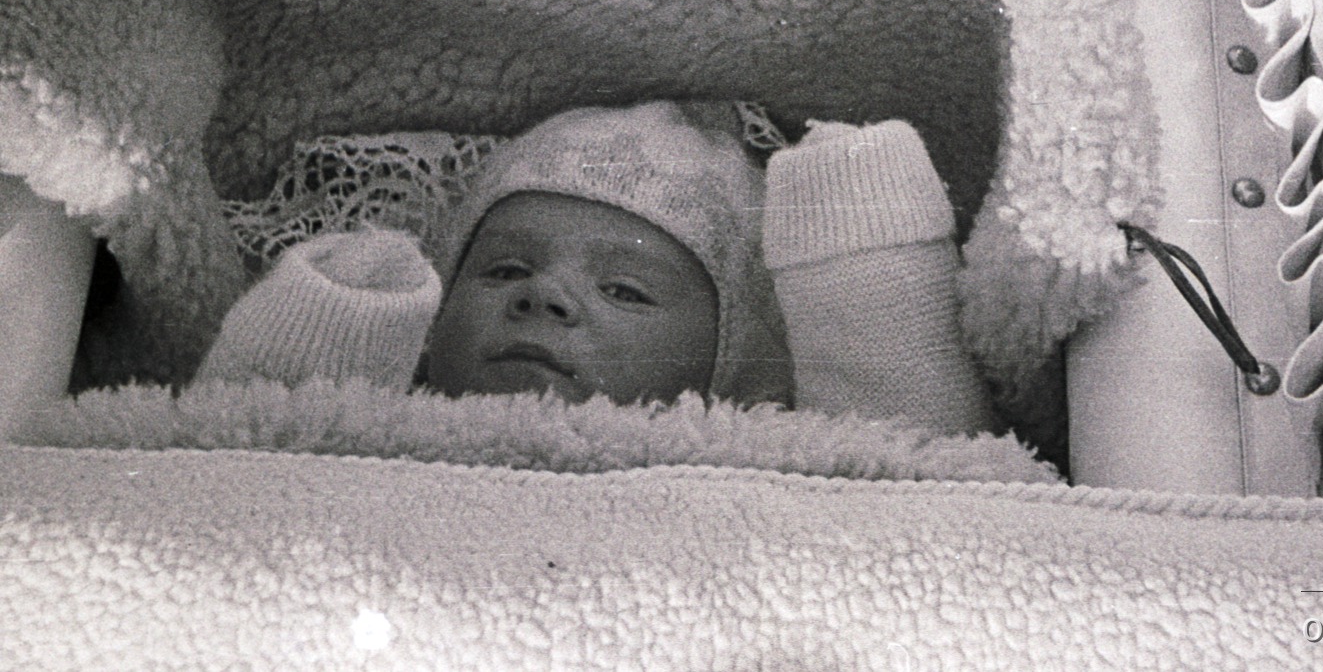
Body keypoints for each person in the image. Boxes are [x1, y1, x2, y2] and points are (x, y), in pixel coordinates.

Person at [196, 101, 998, 436]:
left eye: (625, 288)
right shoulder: (393, 430)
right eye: (503, 268)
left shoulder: (755, 457)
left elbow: (921, 479)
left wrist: (865, 264)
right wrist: (337, 317)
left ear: (730, 367)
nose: (542, 292)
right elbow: (216, 487)